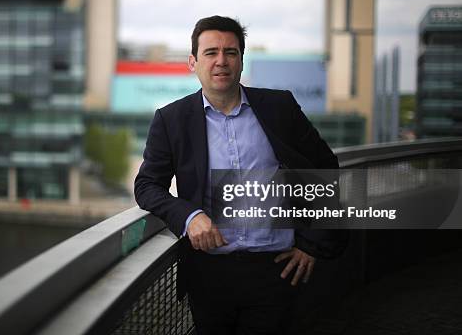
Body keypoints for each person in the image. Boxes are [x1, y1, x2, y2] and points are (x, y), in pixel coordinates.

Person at [134, 16, 347, 334]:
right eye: (211, 52)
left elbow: (326, 169)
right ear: (193, 62)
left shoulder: (279, 107)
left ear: (241, 60)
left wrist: (312, 243)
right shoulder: (171, 119)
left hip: (278, 268)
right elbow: (147, 185)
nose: (221, 61)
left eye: (230, 52)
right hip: (209, 273)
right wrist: (189, 216)